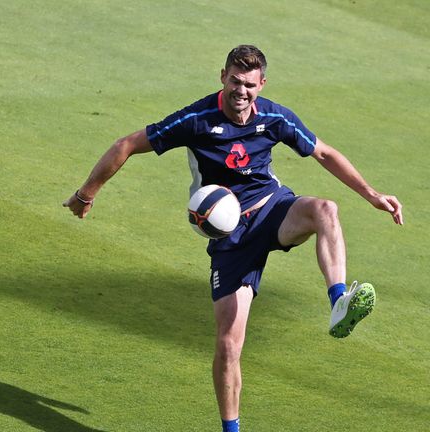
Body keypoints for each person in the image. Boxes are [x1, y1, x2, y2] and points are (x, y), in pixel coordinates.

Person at [62, 45, 403, 432]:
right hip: (229, 235)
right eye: (235, 82)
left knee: (325, 209)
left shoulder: (273, 117)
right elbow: (127, 144)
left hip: (273, 209)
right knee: (228, 344)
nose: (242, 91)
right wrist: (87, 192)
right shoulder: (197, 119)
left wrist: (372, 194)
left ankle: (338, 300)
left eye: (250, 85)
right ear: (222, 76)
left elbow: (323, 153)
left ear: (262, 84)